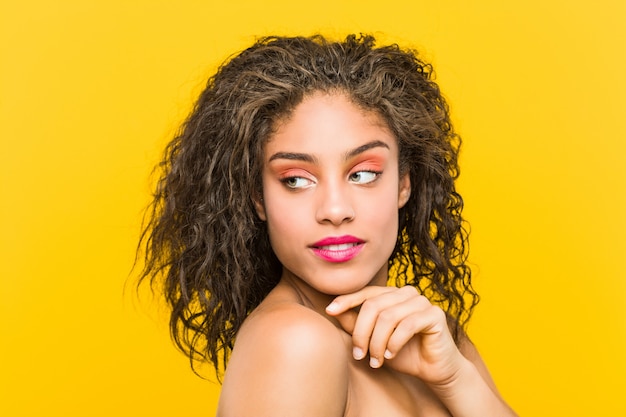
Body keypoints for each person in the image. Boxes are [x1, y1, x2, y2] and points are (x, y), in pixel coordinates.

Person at [138, 34, 517, 416]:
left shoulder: (432, 335)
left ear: (404, 183)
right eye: (297, 180)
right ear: (258, 198)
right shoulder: (295, 342)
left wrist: (456, 379)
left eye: (364, 174)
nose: (335, 210)